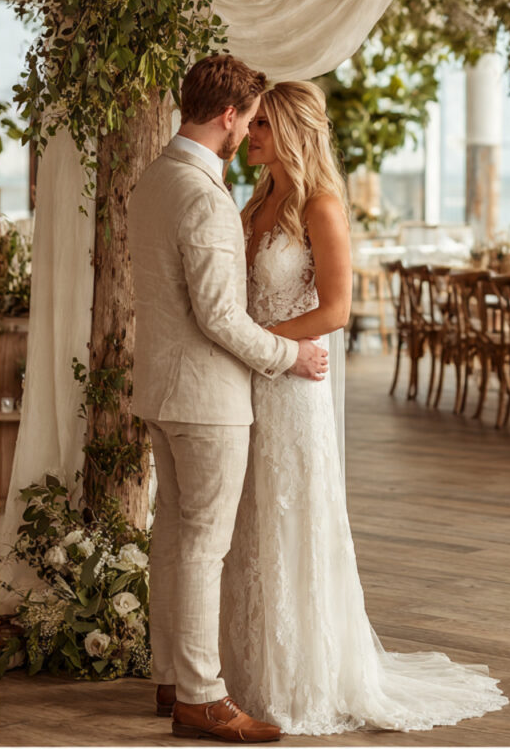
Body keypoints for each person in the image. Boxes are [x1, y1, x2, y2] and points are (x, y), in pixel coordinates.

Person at [219, 80, 507, 734]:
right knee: (250, 519)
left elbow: (337, 310)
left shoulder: (320, 206)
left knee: (291, 514)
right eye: (251, 124)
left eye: (261, 125)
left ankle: (301, 677)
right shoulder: (256, 201)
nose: (249, 134)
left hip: (293, 386)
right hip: (251, 378)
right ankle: (244, 669)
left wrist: (262, 345)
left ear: (290, 132)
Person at [130, 55, 329, 744]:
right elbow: (219, 315)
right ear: (227, 115)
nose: (247, 133)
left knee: (171, 536)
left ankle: (169, 676)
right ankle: (202, 698)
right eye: (248, 120)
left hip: (160, 388)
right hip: (206, 398)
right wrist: (288, 355)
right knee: (202, 547)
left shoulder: (154, 179)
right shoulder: (205, 195)